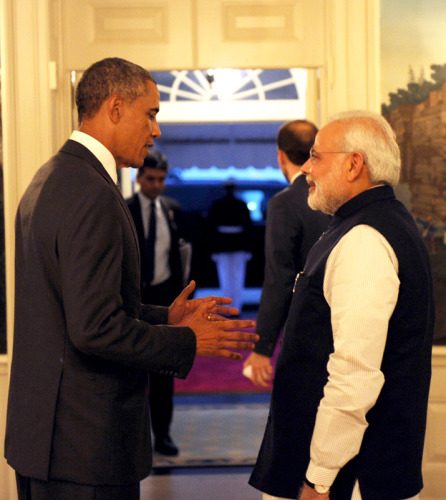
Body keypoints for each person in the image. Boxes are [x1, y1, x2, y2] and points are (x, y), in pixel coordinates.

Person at [5, 57, 258, 500]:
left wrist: (166, 317)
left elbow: (78, 305)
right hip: (86, 448)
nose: (157, 130)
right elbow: (96, 329)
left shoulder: (50, 178)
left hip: (47, 440)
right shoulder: (91, 193)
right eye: (152, 113)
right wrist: (189, 340)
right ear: (115, 107)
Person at [249, 110, 434, 500]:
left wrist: (320, 479)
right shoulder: (370, 223)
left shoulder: (365, 239)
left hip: (349, 479)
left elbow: (355, 375)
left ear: (354, 164)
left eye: (316, 157)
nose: (307, 172)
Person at [243, 120, 331, 386]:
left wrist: (262, 347)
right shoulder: (337, 196)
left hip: (304, 329)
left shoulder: (284, 204)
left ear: (281, 155)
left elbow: (279, 279)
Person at [127, 150, 185, 456]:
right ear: (139, 178)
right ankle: (132, 437)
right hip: (134, 300)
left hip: (165, 299)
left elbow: (181, 256)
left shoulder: (172, 209)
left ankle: (162, 435)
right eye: (150, 179)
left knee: (164, 371)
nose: (156, 185)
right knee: (132, 370)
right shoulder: (124, 209)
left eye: (161, 179)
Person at [208, 180, 253, 313]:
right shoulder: (240, 205)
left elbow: (211, 229)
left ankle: (232, 308)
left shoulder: (218, 205)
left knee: (228, 278)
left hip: (225, 244)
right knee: (234, 278)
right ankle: (233, 307)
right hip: (235, 244)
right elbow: (248, 228)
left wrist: (214, 249)